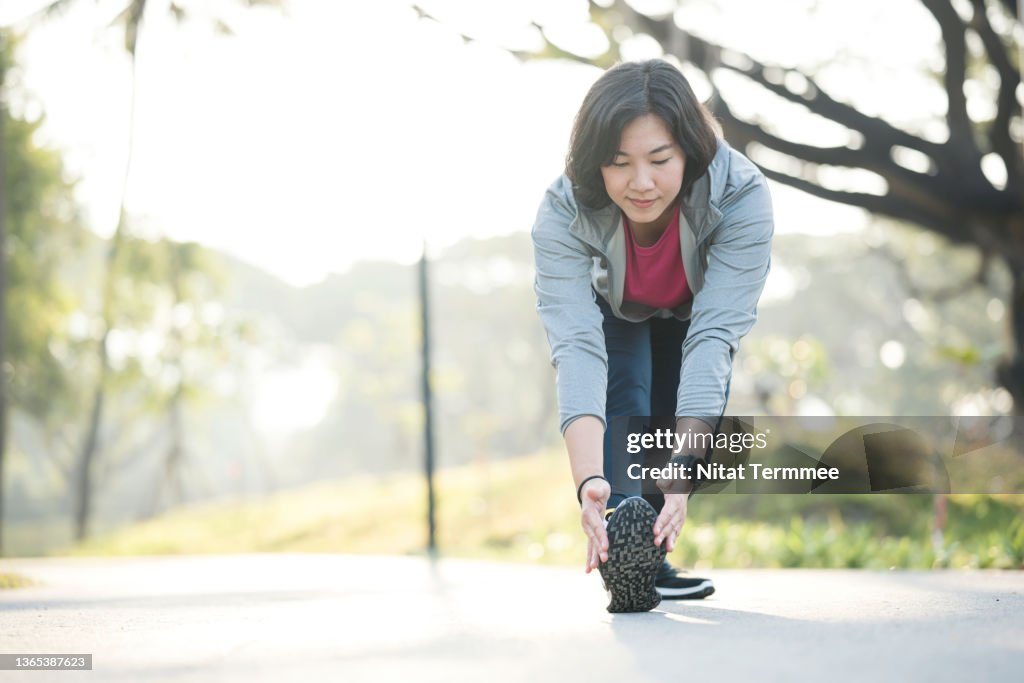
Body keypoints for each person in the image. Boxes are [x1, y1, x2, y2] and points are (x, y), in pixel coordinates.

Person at [531, 59, 774, 612]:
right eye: (619, 165)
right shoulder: (562, 209)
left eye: (660, 160)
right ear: (595, 165)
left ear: (689, 149)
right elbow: (576, 348)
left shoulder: (741, 195)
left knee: (667, 423)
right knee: (629, 397)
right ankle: (622, 540)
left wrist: (687, 473)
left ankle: (653, 553)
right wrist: (586, 480)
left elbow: (714, 339)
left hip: (695, 308)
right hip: (614, 307)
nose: (641, 183)